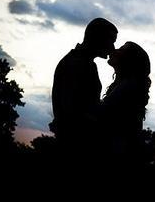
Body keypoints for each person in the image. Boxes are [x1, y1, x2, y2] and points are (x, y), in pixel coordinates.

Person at [49, 18, 117, 198]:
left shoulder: (82, 63)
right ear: (97, 38)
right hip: (75, 151)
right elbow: (71, 111)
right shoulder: (77, 64)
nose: (112, 48)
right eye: (111, 41)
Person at [100, 41, 151, 191]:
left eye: (121, 49)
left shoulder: (129, 85)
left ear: (129, 60)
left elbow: (103, 114)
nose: (114, 49)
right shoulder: (126, 84)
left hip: (119, 156)